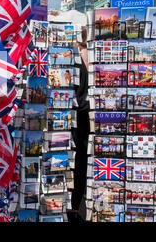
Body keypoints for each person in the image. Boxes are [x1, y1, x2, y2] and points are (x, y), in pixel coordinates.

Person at [69, 26, 90, 222]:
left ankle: (74, 207)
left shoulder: (76, 58)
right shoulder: (81, 57)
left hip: (78, 117)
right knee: (80, 162)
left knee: (76, 162)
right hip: (83, 116)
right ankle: (76, 205)